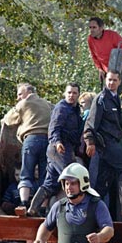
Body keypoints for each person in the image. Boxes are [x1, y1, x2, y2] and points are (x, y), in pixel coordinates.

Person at [32, 163, 114, 243]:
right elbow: (46, 226)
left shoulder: (97, 205)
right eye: (66, 183)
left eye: (73, 183)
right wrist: (39, 240)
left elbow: (109, 230)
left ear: (83, 184)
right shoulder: (59, 206)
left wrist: (99, 237)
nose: (69, 187)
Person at [83, 69, 122, 218]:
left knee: (102, 184)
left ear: (119, 82)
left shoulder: (115, 98)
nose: (111, 83)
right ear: (105, 80)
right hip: (106, 143)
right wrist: (90, 142)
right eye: (109, 80)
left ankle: (89, 215)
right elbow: (90, 123)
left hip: (111, 143)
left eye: (114, 80)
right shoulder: (101, 99)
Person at [27, 83, 83, 216]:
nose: (71, 95)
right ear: (65, 94)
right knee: (72, 176)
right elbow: (54, 127)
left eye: (74, 93)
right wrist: (57, 142)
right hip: (59, 148)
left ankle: (33, 208)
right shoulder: (62, 108)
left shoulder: (75, 110)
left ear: (78, 95)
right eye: (69, 92)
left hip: (64, 148)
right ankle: (75, 211)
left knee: (51, 183)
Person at [2, 83, 53, 207]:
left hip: (31, 140)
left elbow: (8, 120)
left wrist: (4, 120)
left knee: (26, 174)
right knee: (44, 176)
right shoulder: (48, 104)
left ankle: (23, 203)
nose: (18, 97)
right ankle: (42, 208)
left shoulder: (24, 103)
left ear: (29, 92)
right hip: (47, 142)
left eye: (20, 94)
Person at [88, 17, 122, 83]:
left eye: (94, 27)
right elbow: (94, 56)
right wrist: (99, 69)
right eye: (90, 27)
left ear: (101, 28)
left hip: (120, 70)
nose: (91, 30)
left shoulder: (112, 35)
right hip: (106, 72)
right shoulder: (90, 39)